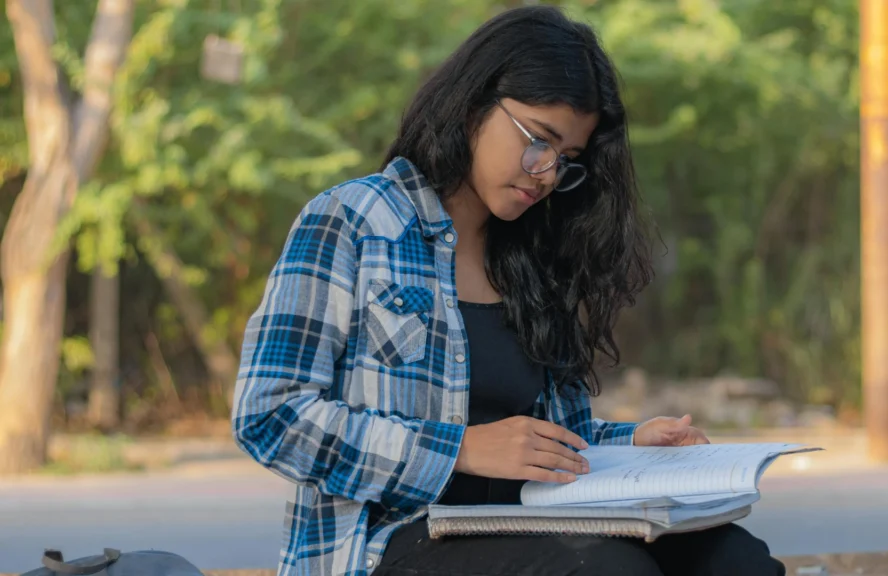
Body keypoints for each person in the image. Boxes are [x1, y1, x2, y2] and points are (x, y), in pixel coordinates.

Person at [232, 5, 785, 576]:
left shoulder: (532, 258)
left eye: (567, 159)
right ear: (474, 103)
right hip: (387, 543)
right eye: (539, 140)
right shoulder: (352, 220)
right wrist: (460, 450)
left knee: (733, 559)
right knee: (609, 571)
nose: (545, 173)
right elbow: (269, 415)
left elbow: (534, 438)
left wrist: (630, 443)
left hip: (532, 525)